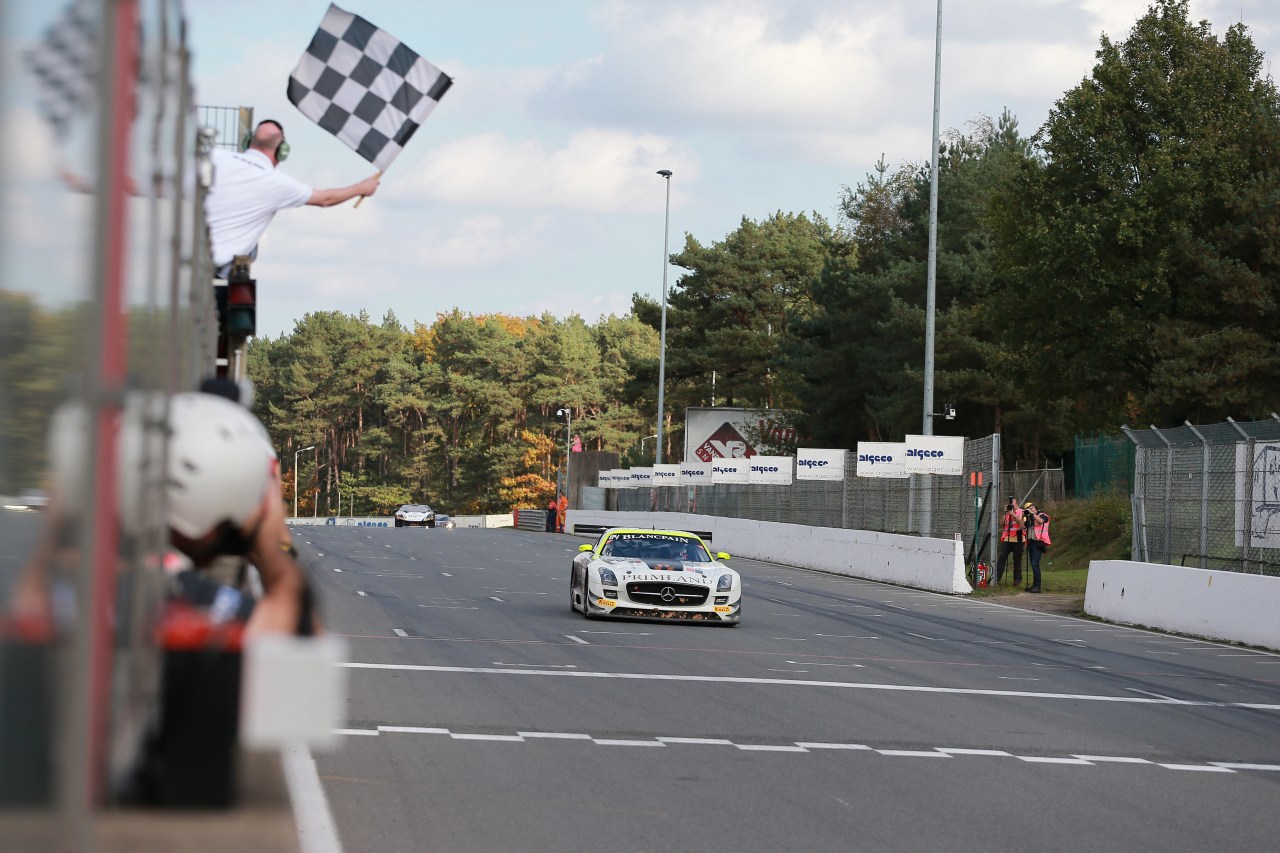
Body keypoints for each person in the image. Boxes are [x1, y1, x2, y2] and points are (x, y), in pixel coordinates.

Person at [204, 119, 381, 277]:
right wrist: (361, 188)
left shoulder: (215, 157)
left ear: (248, 141)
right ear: (282, 151)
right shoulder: (278, 183)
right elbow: (325, 199)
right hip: (218, 267)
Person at [1022, 500, 1052, 593]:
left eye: (1031, 508)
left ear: (1034, 507)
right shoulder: (1029, 518)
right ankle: (1035, 585)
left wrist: (1032, 514)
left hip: (1039, 542)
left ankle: (1037, 586)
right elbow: (1023, 526)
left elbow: (1041, 521)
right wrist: (1023, 516)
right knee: (1033, 564)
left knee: (1035, 564)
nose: (1030, 510)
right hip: (1031, 542)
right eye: (1028, 509)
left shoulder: (1042, 515)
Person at [995, 496, 1024, 586]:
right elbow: (1001, 524)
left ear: (1017, 504)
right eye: (1010, 505)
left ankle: (1017, 579)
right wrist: (1005, 513)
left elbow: (1022, 525)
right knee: (1002, 558)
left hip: (1018, 539)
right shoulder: (1007, 513)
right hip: (1007, 538)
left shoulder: (1021, 512)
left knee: (1017, 559)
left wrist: (1013, 515)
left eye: (1013, 504)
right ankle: (996, 578)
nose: (1012, 506)